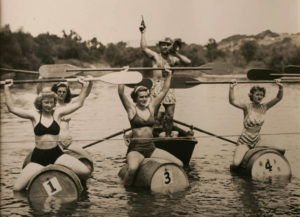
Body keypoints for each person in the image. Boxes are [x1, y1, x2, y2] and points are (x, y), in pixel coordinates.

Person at [4, 77, 92, 191]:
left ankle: (74, 186)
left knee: (85, 172)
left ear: (54, 103)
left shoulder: (58, 114)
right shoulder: (34, 115)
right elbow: (12, 108)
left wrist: (84, 85)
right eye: (46, 102)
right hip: (38, 157)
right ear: (40, 103)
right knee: (17, 189)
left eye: (51, 102)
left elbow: (79, 103)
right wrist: (6, 88)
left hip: (56, 154)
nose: (49, 105)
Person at [118, 67, 183, 186]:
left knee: (179, 163)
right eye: (141, 97)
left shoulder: (151, 107)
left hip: (151, 148)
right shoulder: (131, 110)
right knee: (133, 169)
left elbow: (164, 91)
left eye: (146, 96)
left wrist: (168, 76)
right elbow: (121, 93)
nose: (144, 99)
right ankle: (126, 191)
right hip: (136, 149)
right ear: (136, 99)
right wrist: (123, 75)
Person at [140, 22, 191, 137]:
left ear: (170, 46)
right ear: (159, 46)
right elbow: (144, 48)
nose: (165, 47)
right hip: (156, 86)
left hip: (168, 86)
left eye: (168, 45)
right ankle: (150, 136)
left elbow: (188, 62)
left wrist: (176, 53)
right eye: (163, 44)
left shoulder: (173, 59)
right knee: (153, 113)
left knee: (170, 115)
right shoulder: (155, 56)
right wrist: (143, 32)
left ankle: (167, 136)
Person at [229, 79, 283, 168]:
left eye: (261, 95)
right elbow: (232, 101)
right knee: (236, 164)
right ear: (252, 95)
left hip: (257, 141)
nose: (259, 97)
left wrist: (280, 86)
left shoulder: (264, 107)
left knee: (281, 150)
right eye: (257, 94)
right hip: (244, 142)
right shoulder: (247, 107)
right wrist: (231, 88)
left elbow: (278, 98)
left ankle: (274, 167)